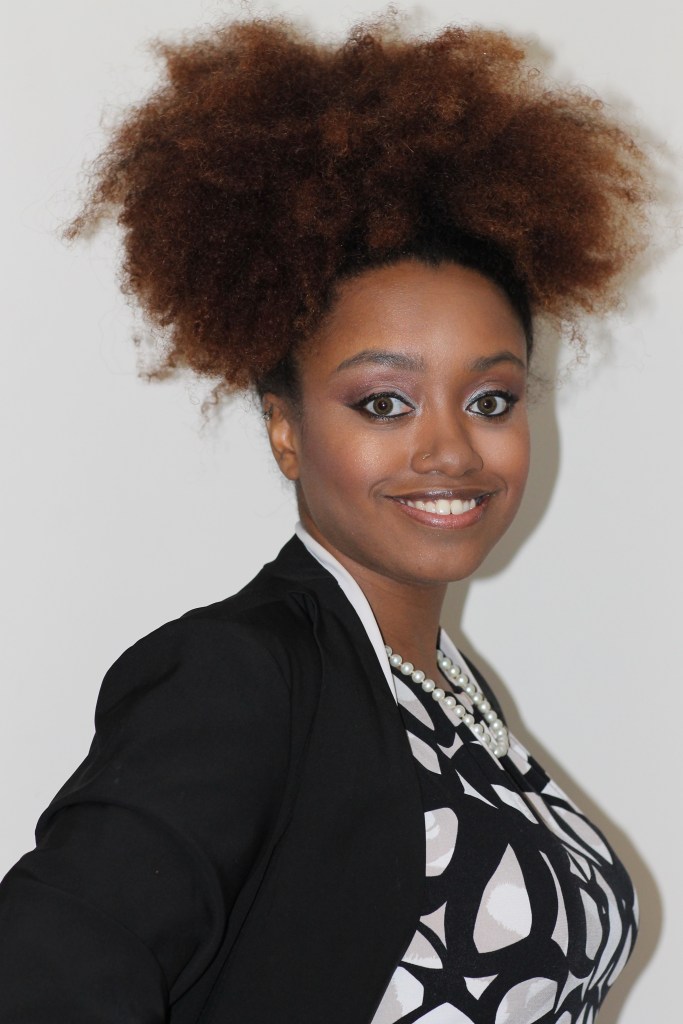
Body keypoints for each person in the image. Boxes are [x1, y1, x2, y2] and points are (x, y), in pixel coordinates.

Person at [0, 15, 652, 1024]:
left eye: (490, 399)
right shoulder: (241, 675)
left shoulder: (444, 689)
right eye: (383, 402)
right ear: (285, 429)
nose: (449, 450)